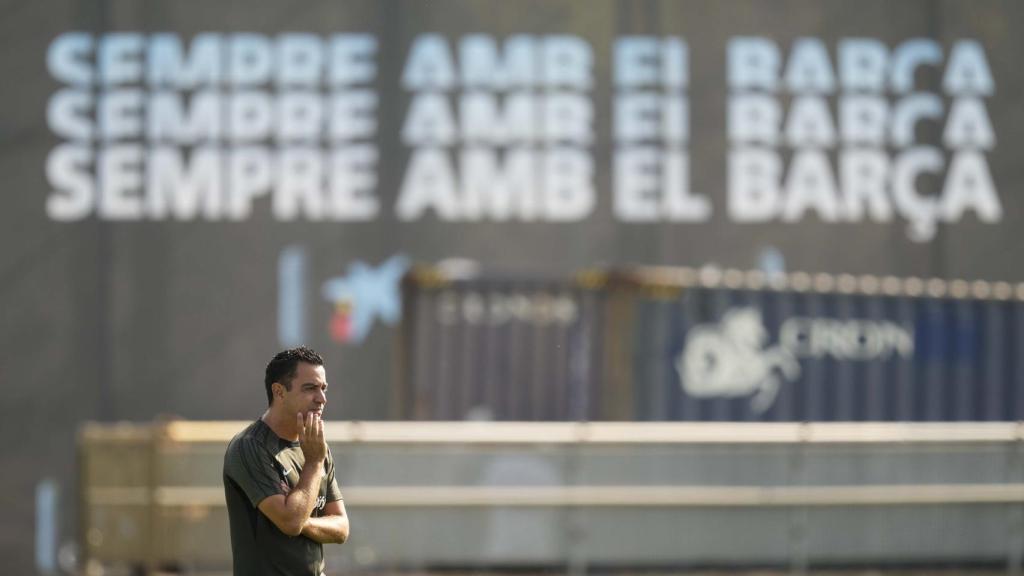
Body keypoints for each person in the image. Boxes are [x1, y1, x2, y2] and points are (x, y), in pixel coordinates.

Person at [223, 347, 349, 575]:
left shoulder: (317, 449)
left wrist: (304, 521)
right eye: (310, 388)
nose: (322, 399)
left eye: (323, 388)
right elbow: (291, 522)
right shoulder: (249, 446)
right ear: (279, 392)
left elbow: (341, 528)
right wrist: (313, 464)